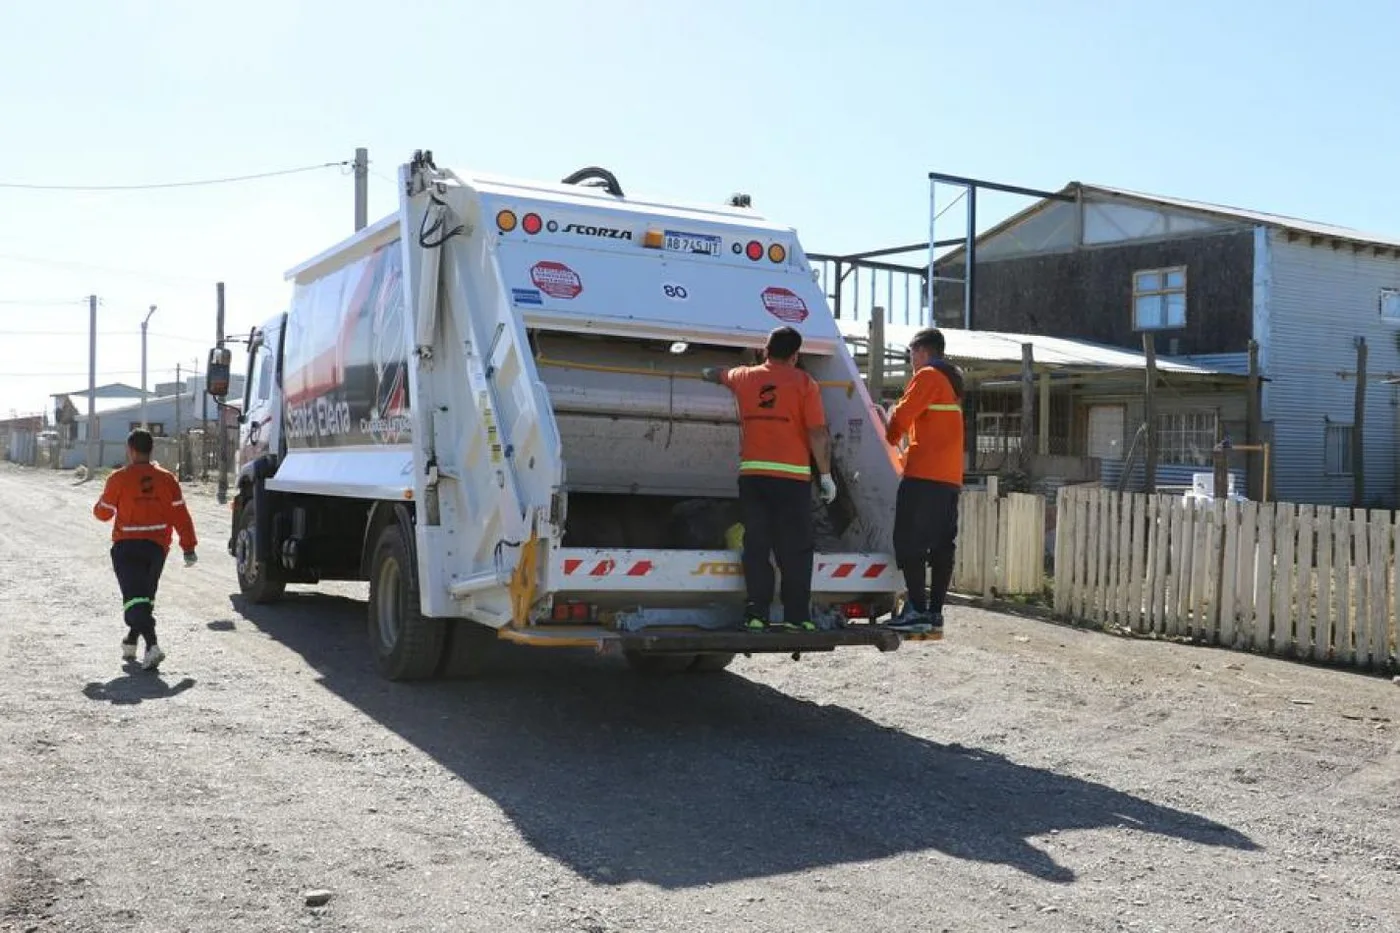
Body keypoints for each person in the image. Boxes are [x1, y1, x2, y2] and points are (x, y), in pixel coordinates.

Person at [702, 326, 837, 632]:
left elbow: (716, 373)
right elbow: (817, 433)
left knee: (757, 545)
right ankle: (797, 617)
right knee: (796, 548)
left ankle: (756, 614)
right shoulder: (805, 383)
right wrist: (826, 476)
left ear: (765, 350)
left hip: (754, 477)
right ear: (795, 355)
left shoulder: (744, 377)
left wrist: (703, 370)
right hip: (792, 480)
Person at [93, 429, 198, 670]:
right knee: (145, 598)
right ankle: (131, 641)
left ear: (130, 450)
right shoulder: (168, 479)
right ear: (151, 450)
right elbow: (181, 514)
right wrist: (188, 546)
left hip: (126, 548)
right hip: (156, 550)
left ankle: (152, 646)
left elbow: (103, 513)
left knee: (134, 601)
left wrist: (102, 503)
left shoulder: (118, 478)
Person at [883, 327, 965, 635]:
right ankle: (933, 614)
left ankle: (915, 608)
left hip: (924, 475)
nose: (910, 362)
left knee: (908, 542)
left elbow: (902, 417)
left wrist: (887, 430)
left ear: (921, 351)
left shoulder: (928, 376)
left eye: (911, 354)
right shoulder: (953, 381)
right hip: (949, 478)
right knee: (943, 546)